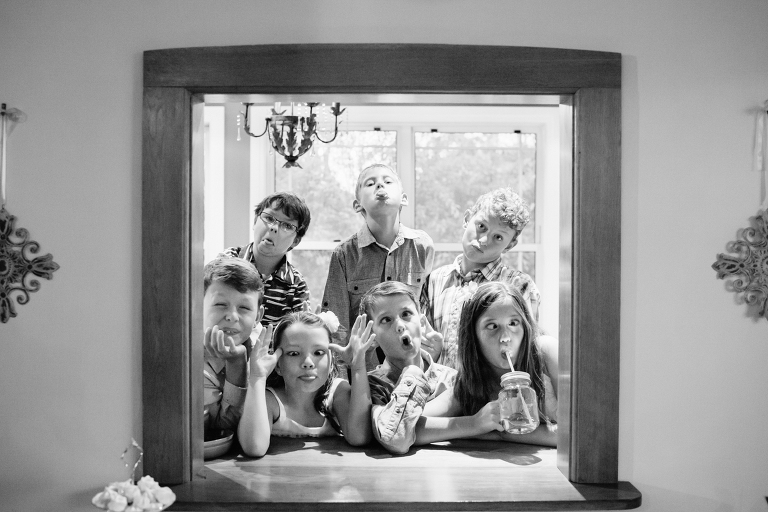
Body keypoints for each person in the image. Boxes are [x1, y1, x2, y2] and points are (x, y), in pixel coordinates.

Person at [322, 164, 435, 368]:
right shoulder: (344, 254)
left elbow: (426, 311)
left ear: (404, 198)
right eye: (370, 183)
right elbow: (337, 328)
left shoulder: (422, 246)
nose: (380, 185)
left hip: (413, 368)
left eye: (388, 181)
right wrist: (340, 383)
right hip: (364, 373)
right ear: (357, 205)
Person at [421, 281, 558, 447]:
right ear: (473, 337)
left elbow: (578, 431)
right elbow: (407, 427)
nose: (505, 337)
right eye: (492, 326)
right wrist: (474, 424)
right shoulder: (472, 384)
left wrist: (501, 434)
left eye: (513, 323)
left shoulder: (545, 353)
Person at [421, 187, 541, 369]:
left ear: (510, 245)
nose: (484, 240)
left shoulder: (519, 286)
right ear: (467, 218)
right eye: (481, 226)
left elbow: (526, 354)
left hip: (493, 387)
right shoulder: (434, 281)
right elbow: (422, 348)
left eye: (498, 237)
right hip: (437, 385)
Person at [237, 311, 375, 457]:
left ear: (331, 361)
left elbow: (359, 437)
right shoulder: (269, 400)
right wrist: (258, 377)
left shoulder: (337, 392)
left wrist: (358, 367)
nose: (308, 363)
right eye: (294, 353)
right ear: (278, 364)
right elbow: (254, 447)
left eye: (318, 352)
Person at [359, 281, 456, 455]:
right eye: (386, 320)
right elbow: (394, 435)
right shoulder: (372, 387)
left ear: (422, 322)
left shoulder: (451, 379)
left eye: (406, 314)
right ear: (372, 338)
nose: (400, 325)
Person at [220, 192, 312, 326]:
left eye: (287, 226)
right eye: (269, 218)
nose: (274, 228)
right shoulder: (227, 261)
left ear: (295, 241)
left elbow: (300, 332)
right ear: (255, 221)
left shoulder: (296, 285)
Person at [203, 257, 264, 432]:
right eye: (220, 304)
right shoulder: (190, 361)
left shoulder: (264, 350)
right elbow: (220, 428)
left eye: (244, 308)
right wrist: (237, 364)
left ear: (258, 316)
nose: (232, 316)